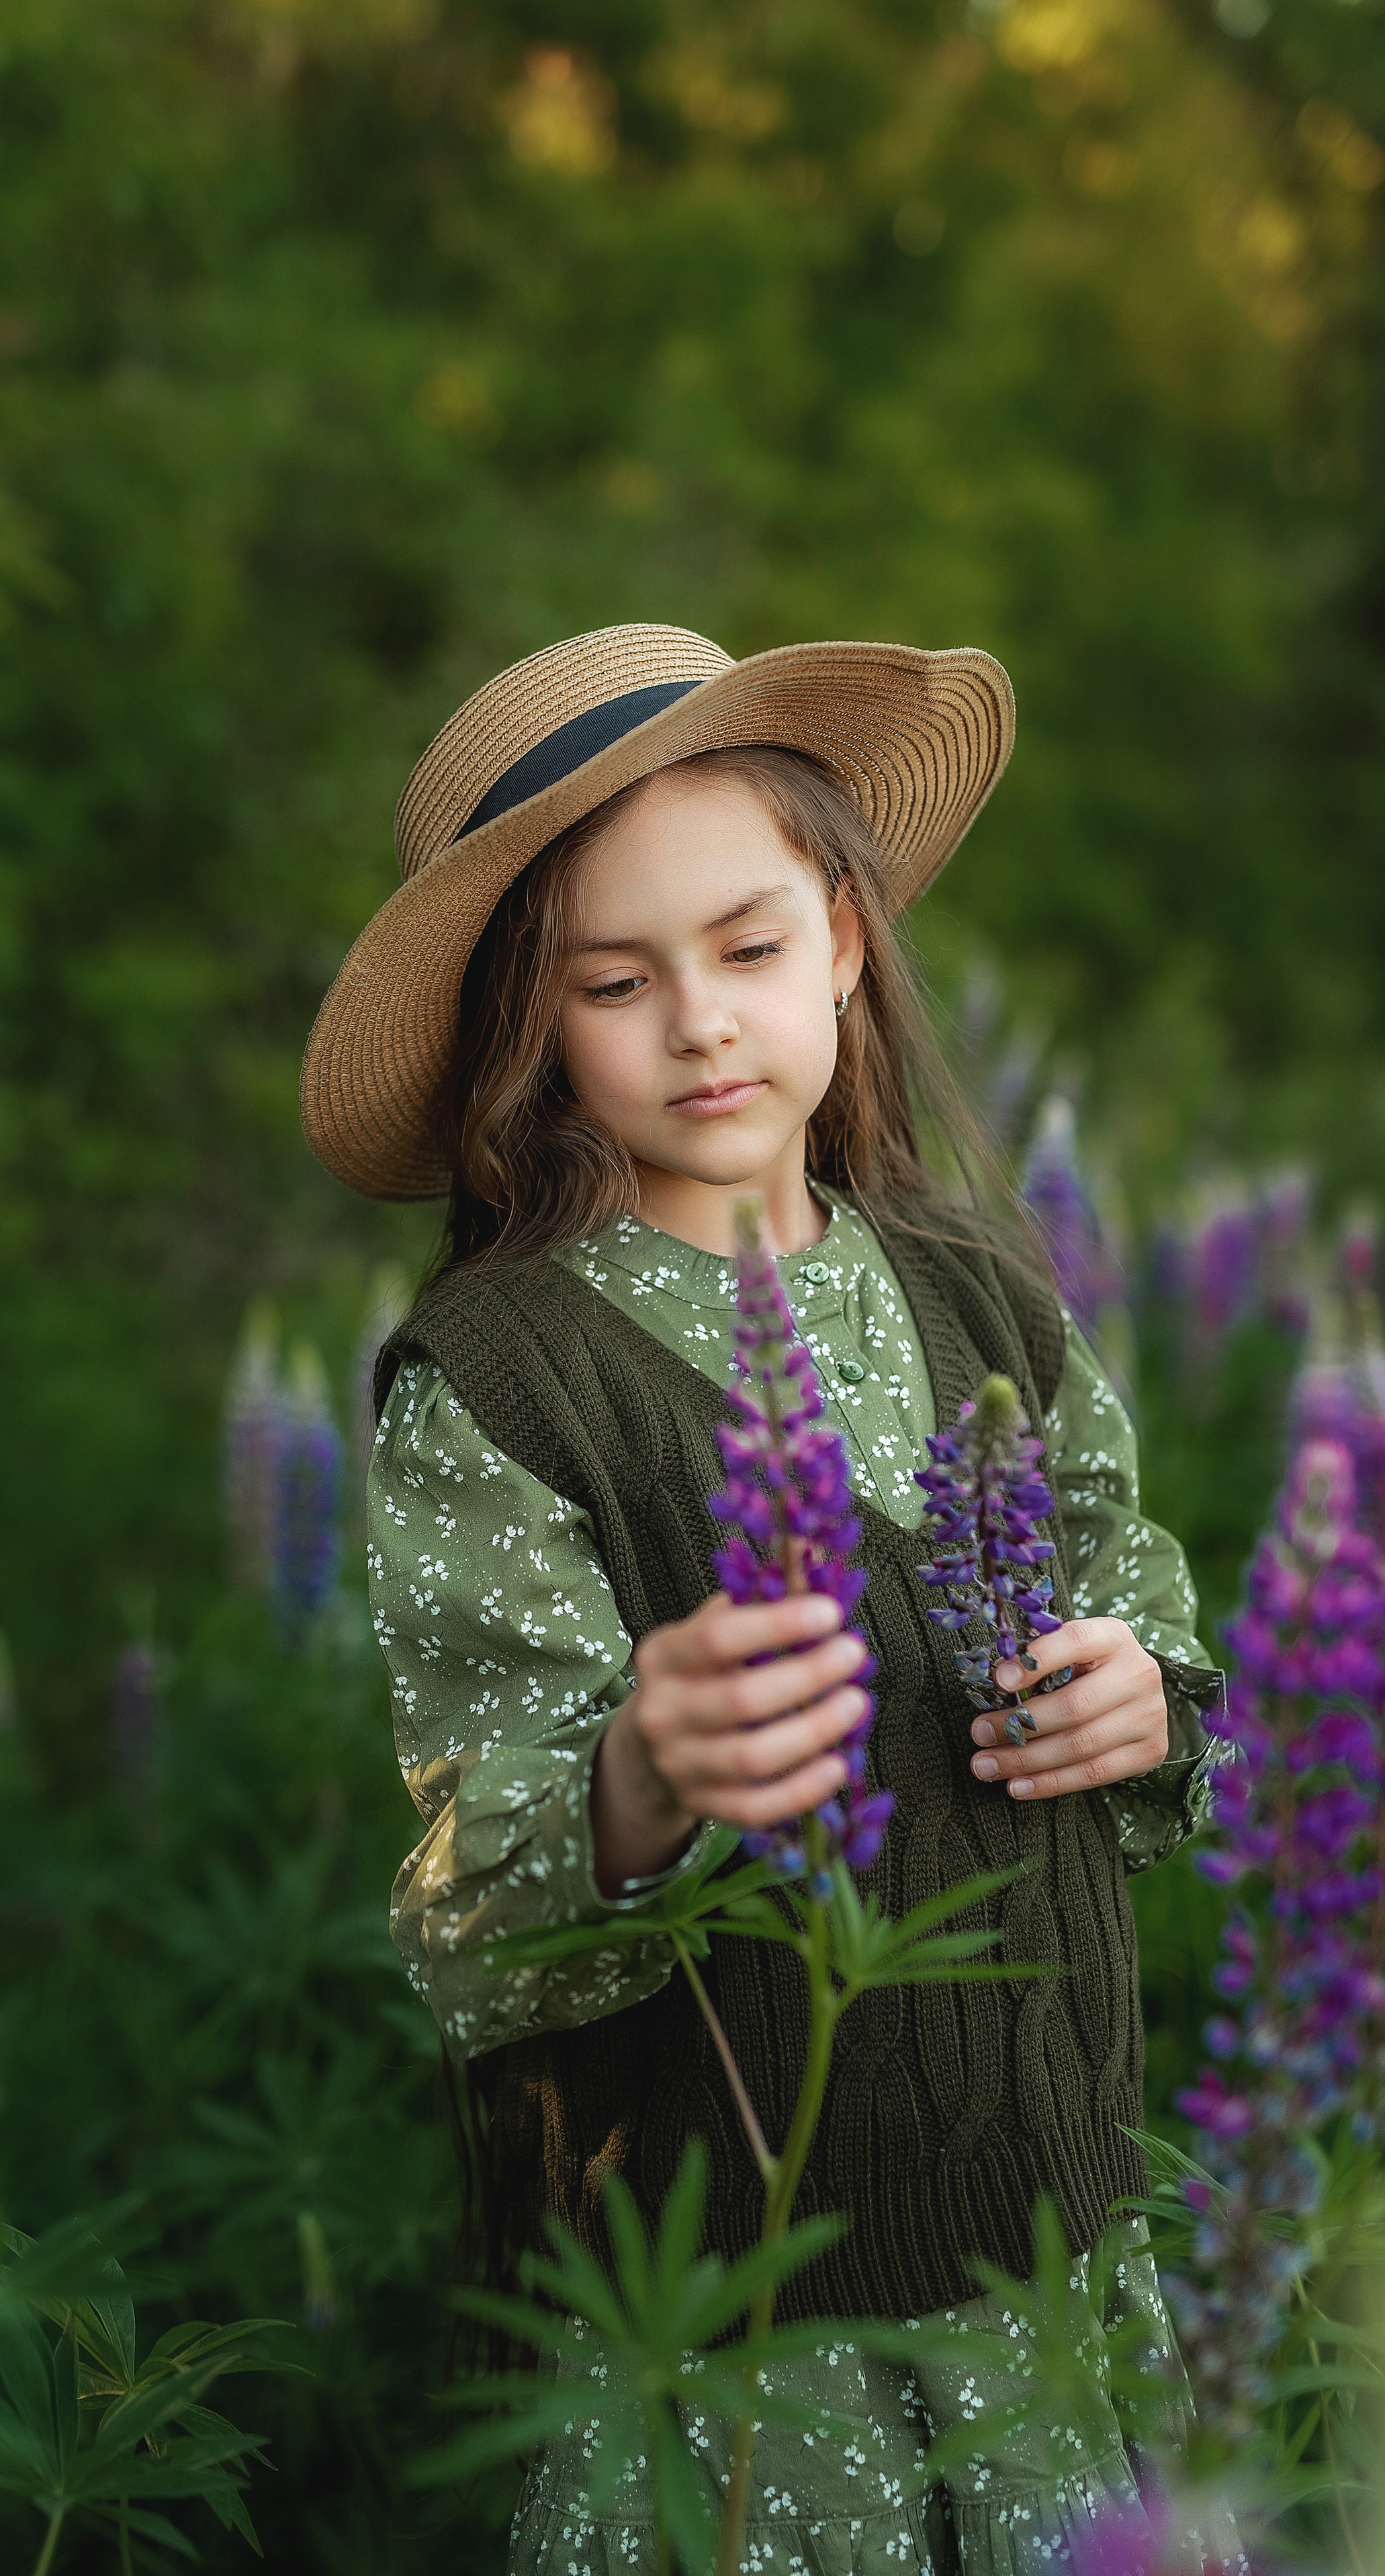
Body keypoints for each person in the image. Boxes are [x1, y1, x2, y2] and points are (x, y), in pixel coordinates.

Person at [300, 625, 1237, 2573]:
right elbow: (473, 1894)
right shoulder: (499, 1381)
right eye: (617, 984)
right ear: (529, 1036)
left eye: (747, 946)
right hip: (744, 2354)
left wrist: (1148, 1691)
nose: (703, 1022)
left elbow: (1132, 1571)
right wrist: (641, 1771)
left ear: (844, 936)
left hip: (1061, 2256)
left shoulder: (990, 1296)